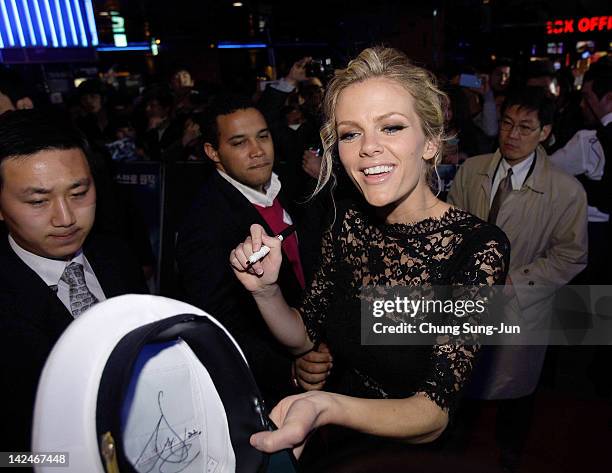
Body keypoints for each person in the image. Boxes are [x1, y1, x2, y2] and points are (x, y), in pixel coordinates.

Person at [229, 47, 510, 457]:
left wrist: (325, 406)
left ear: (431, 144)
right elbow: (303, 335)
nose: (368, 148)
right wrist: (265, 290)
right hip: (335, 442)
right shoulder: (345, 221)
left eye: (391, 128)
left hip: (413, 455)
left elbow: (434, 414)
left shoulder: (481, 248)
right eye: (350, 133)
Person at [447, 86, 588, 471]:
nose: (512, 135)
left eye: (526, 127)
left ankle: (510, 454)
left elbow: (571, 254)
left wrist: (518, 280)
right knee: (463, 378)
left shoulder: (566, 191)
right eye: (507, 123)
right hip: (470, 297)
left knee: (516, 387)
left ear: (545, 132)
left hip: (523, 305)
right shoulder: (473, 169)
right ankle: (455, 445)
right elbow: (453, 225)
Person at [0, 109, 148, 452]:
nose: (65, 218)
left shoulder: (116, 256)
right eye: (38, 201)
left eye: (79, 193)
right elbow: (8, 457)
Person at [175, 95, 329, 405]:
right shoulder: (203, 223)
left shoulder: (294, 185)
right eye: (238, 143)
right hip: (270, 390)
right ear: (213, 152)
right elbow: (216, 323)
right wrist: (290, 368)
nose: (257, 151)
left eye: (263, 136)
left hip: (325, 352)